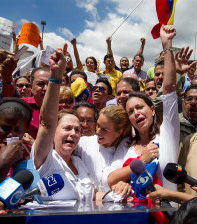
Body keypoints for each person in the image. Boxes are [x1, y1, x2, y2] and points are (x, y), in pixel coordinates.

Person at [32, 44, 131, 201]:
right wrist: (56, 77)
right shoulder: (46, 159)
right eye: (67, 128)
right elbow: (46, 123)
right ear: (54, 132)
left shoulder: (80, 164)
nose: (73, 133)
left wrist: (120, 194)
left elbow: (94, 196)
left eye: (77, 130)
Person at [107, 25, 179, 192]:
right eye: (131, 111)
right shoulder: (126, 144)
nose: (136, 113)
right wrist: (141, 161)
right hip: (135, 215)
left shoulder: (167, 132)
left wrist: (167, 46)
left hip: (167, 214)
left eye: (140, 107)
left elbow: (169, 88)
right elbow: (111, 178)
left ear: (153, 110)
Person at [76, 105, 132, 192]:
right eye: (98, 125)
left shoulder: (128, 151)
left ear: (118, 132)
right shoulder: (83, 143)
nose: (98, 131)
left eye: (104, 130)